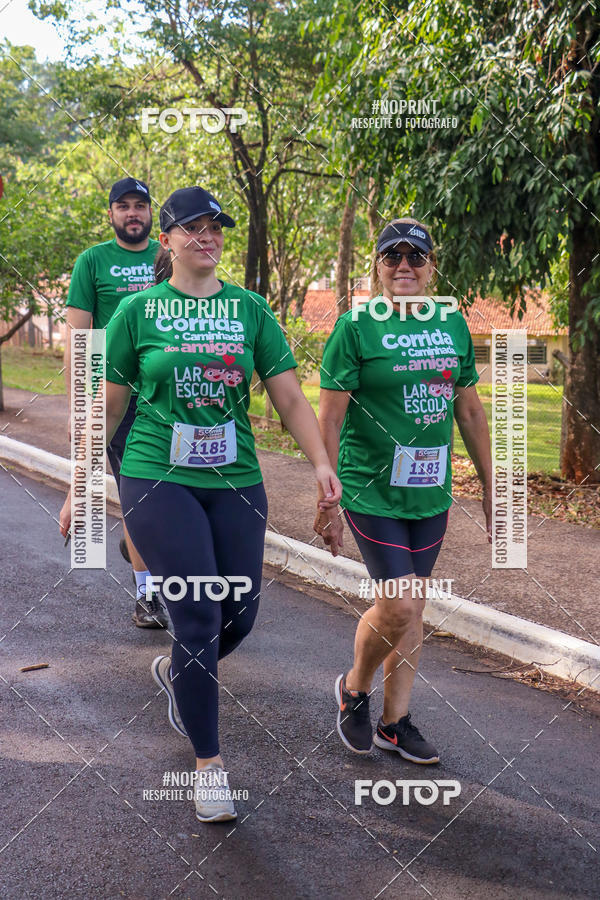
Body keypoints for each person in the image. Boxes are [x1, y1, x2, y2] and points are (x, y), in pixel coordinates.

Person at [60, 185, 341, 822]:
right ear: (168, 239)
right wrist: (82, 482)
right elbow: (105, 404)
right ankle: (209, 768)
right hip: (158, 476)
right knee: (196, 614)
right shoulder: (137, 311)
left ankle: (180, 674)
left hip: (236, 478)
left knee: (237, 616)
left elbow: (291, 399)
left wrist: (321, 464)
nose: (206, 236)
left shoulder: (249, 310)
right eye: (192, 227)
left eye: (216, 227)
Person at [314, 218, 492, 763]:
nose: (405, 266)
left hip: (430, 494)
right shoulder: (356, 327)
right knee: (403, 601)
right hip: (371, 489)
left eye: (416, 257)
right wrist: (327, 494)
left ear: (431, 267)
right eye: (393, 257)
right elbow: (330, 416)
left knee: (409, 610)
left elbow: (467, 408)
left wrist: (492, 484)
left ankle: (395, 722)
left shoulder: (451, 324)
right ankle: (353, 688)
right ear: (378, 267)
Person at [64, 176, 167, 628]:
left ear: (150, 213)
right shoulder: (92, 262)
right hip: (119, 401)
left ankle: (139, 543)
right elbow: (79, 338)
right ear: (111, 213)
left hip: (172, 399)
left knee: (175, 494)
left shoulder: (169, 255)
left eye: (139, 206)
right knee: (140, 497)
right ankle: (148, 597)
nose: (132, 213)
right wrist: (78, 406)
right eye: (122, 206)